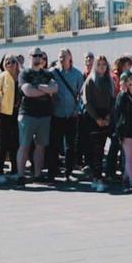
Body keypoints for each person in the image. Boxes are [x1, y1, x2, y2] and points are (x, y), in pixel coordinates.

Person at [16, 47, 57, 185]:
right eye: (35, 55)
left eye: (41, 55)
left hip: (44, 115)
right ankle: (21, 175)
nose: (38, 58)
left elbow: (54, 88)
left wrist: (38, 86)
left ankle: (38, 174)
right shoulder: (24, 74)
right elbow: (28, 91)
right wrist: (46, 90)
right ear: (30, 57)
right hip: (27, 114)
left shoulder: (47, 74)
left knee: (41, 146)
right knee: (24, 145)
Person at [49, 48, 84, 181]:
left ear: (70, 57)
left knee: (70, 146)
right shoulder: (53, 73)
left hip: (71, 115)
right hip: (57, 114)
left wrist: (77, 110)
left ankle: (68, 172)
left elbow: (81, 94)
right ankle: (52, 172)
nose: (62, 59)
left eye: (64, 56)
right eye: (60, 57)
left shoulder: (77, 74)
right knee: (54, 145)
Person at [81, 55, 114, 192]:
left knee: (101, 149)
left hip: (106, 116)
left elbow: (112, 100)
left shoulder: (109, 80)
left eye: (104, 64)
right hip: (93, 118)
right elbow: (87, 102)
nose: (102, 67)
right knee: (96, 149)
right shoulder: (90, 80)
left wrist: (108, 116)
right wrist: (97, 118)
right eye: (99, 64)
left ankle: (98, 177)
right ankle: (97, 178)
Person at [0, 55, 21, 180]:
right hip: (3, 114)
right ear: (4, 65)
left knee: (15, 143)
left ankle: (14, 170)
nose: (10, 64)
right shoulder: (1, 77)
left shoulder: (21, 77)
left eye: (13, 62)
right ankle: (0, 170)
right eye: (7, 62)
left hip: (17, 114)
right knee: (2, 143)